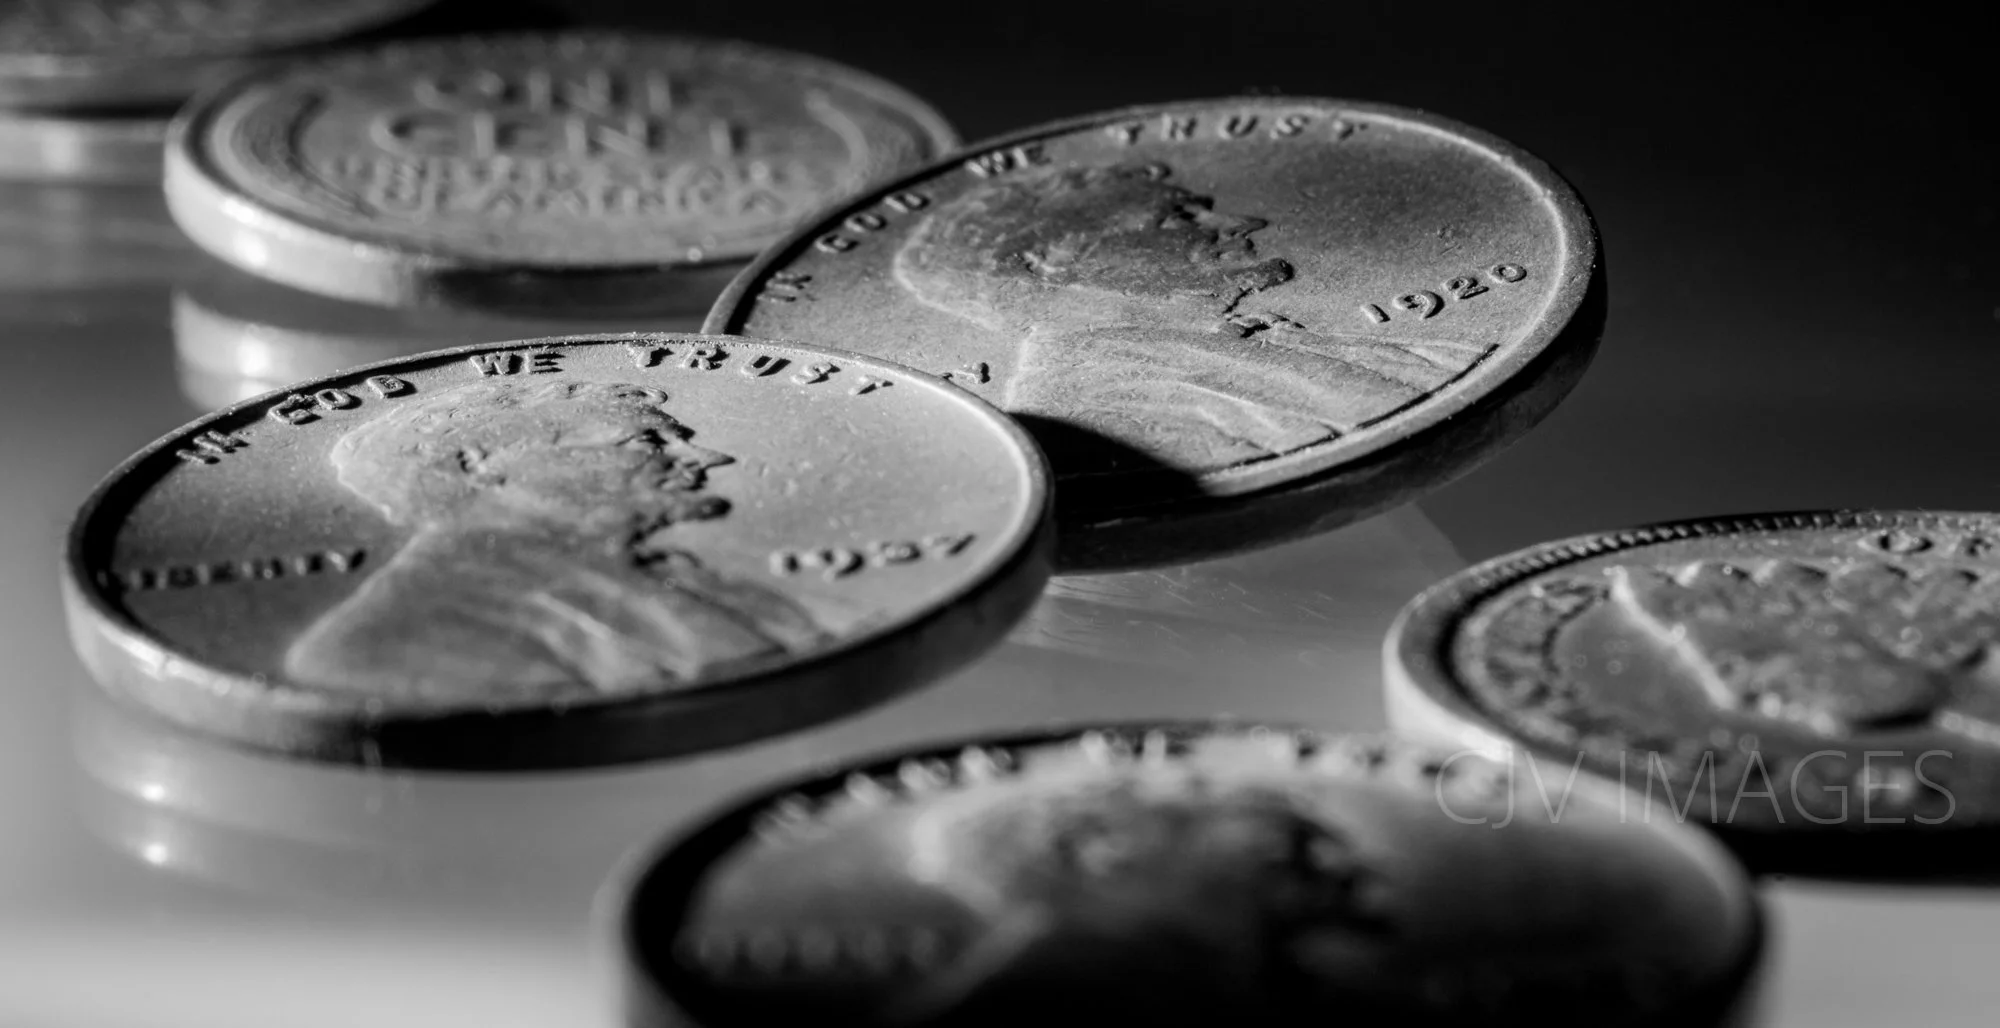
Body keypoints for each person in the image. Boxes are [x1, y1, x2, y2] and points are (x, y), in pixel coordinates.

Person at [893, 162, 1489, 483]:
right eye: (1175, 215)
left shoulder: (1260, 338)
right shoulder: (1113, 414)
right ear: (1049, 262)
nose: (1240, 221)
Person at [286, 379, 828, 702]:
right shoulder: (381, 645)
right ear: (482, 466)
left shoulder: (685, 577)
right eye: (645, 440)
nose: (706, 459)